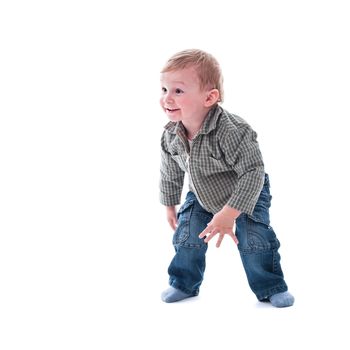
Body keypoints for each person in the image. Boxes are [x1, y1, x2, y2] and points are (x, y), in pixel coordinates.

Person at [159, 49, 294, 307]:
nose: (167, 98)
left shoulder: (232, 130)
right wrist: (169, 204)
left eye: (178, 91)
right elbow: (170, 171)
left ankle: (271, 286)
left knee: (254, 238)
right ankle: (183, 283)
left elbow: (253, 171)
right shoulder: (171, 135)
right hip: (202, 192)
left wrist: (230, 213)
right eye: (164, 90)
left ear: (209, 97)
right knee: (186, 235)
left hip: (246, 190)